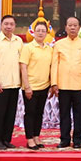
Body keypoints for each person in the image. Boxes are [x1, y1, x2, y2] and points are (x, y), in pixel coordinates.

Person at [50, 17, 81, 148]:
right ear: (65, 28)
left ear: (79, 27)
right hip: (63, 84)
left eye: (75, 25)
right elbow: (54, 65)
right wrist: (54, 83)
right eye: (70, 25)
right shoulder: (59, 44)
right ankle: (64, 139)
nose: (73, 28)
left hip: (80, 85)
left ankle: (78, 140)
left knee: (79, 114)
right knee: (64, 114)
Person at [0, 14, 24, 150]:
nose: (8, 26)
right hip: (0, 83)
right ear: (1, 25)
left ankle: (7, 139)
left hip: (15, 83)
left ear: (15, 26)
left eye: (11, 24)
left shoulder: (19, 41)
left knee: (10, 114)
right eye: (6, 24)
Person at [19, 21, 53, 149]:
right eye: (38, 30)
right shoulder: (28, 47)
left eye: (43, 31)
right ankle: (29, 138)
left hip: (44, 86)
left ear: (46, 33)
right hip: (31, 86)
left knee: (39, 113)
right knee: (30, 113)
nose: (40, 33)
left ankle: (36, 136)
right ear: (33, 32)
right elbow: (23, 67)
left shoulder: (49, 48)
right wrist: (27, 86)